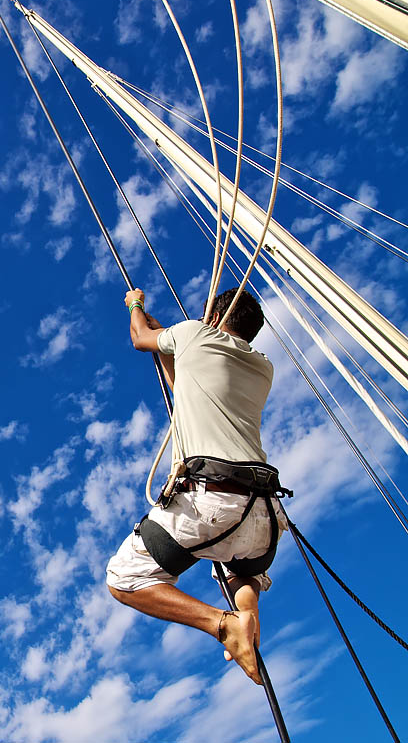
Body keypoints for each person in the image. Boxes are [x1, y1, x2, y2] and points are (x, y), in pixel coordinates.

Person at [106, 286, 284, 685]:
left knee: (124, 579)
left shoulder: (193, 334)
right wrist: (168, 343)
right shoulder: (262, 367)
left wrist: (135, 305)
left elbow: (139, 338)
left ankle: (222, 625)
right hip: (263, 517)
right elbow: (186, 384)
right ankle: (248, 615)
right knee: (235, 564)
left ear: (214, 318)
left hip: (211, 500)